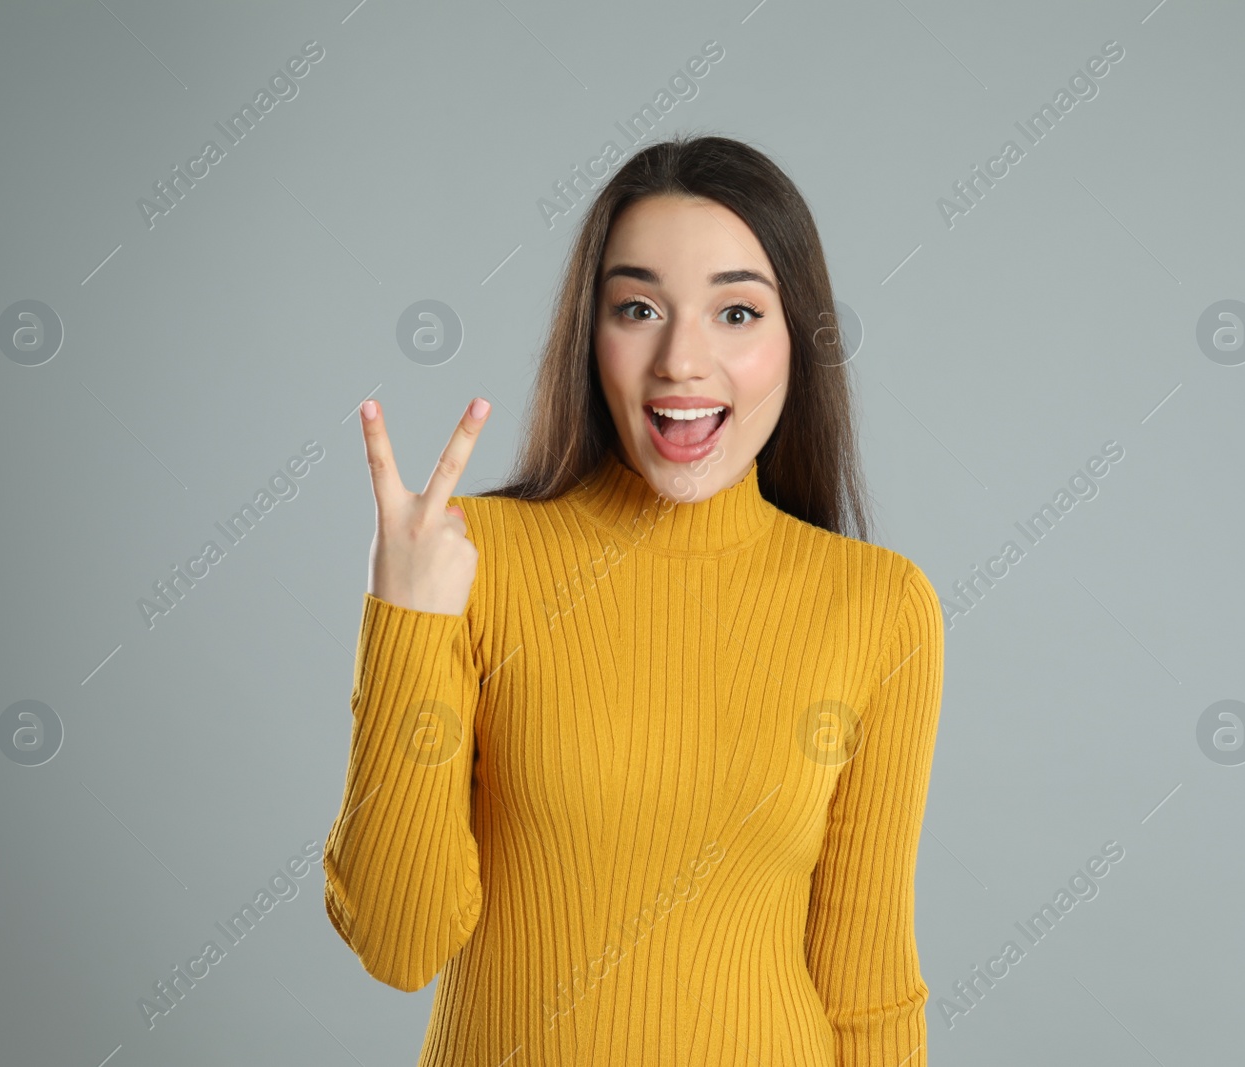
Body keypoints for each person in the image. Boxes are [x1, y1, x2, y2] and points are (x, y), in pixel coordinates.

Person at [323, 133, 945, 1065]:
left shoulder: (879, 606)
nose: (681, 362)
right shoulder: (473, 563)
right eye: (640, 307)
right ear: (591, 334)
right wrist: (407, 621)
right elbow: (398, 940)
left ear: (797, 342)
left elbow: (868, 987)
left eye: (736, 312)